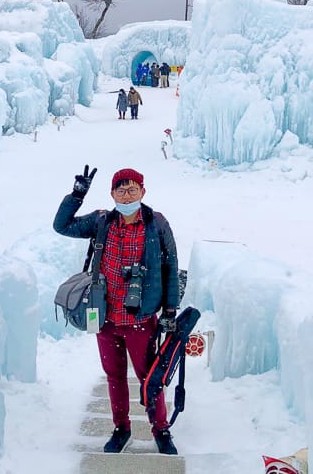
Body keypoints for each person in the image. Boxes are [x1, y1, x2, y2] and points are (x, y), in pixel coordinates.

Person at [53, 166, 181, 455]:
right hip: (106, 318)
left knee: (151, 376)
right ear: (112, 194)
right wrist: (76, 195)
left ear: (143, 191)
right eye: (121, 190)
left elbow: (170, 267)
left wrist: (170, 311)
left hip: (141, 318)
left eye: (132, 189)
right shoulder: (101, 221)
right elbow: (62, 226)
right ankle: (121, 429)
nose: (127, 194)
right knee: (114, 375)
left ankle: (160, 429)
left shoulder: (156, 224)